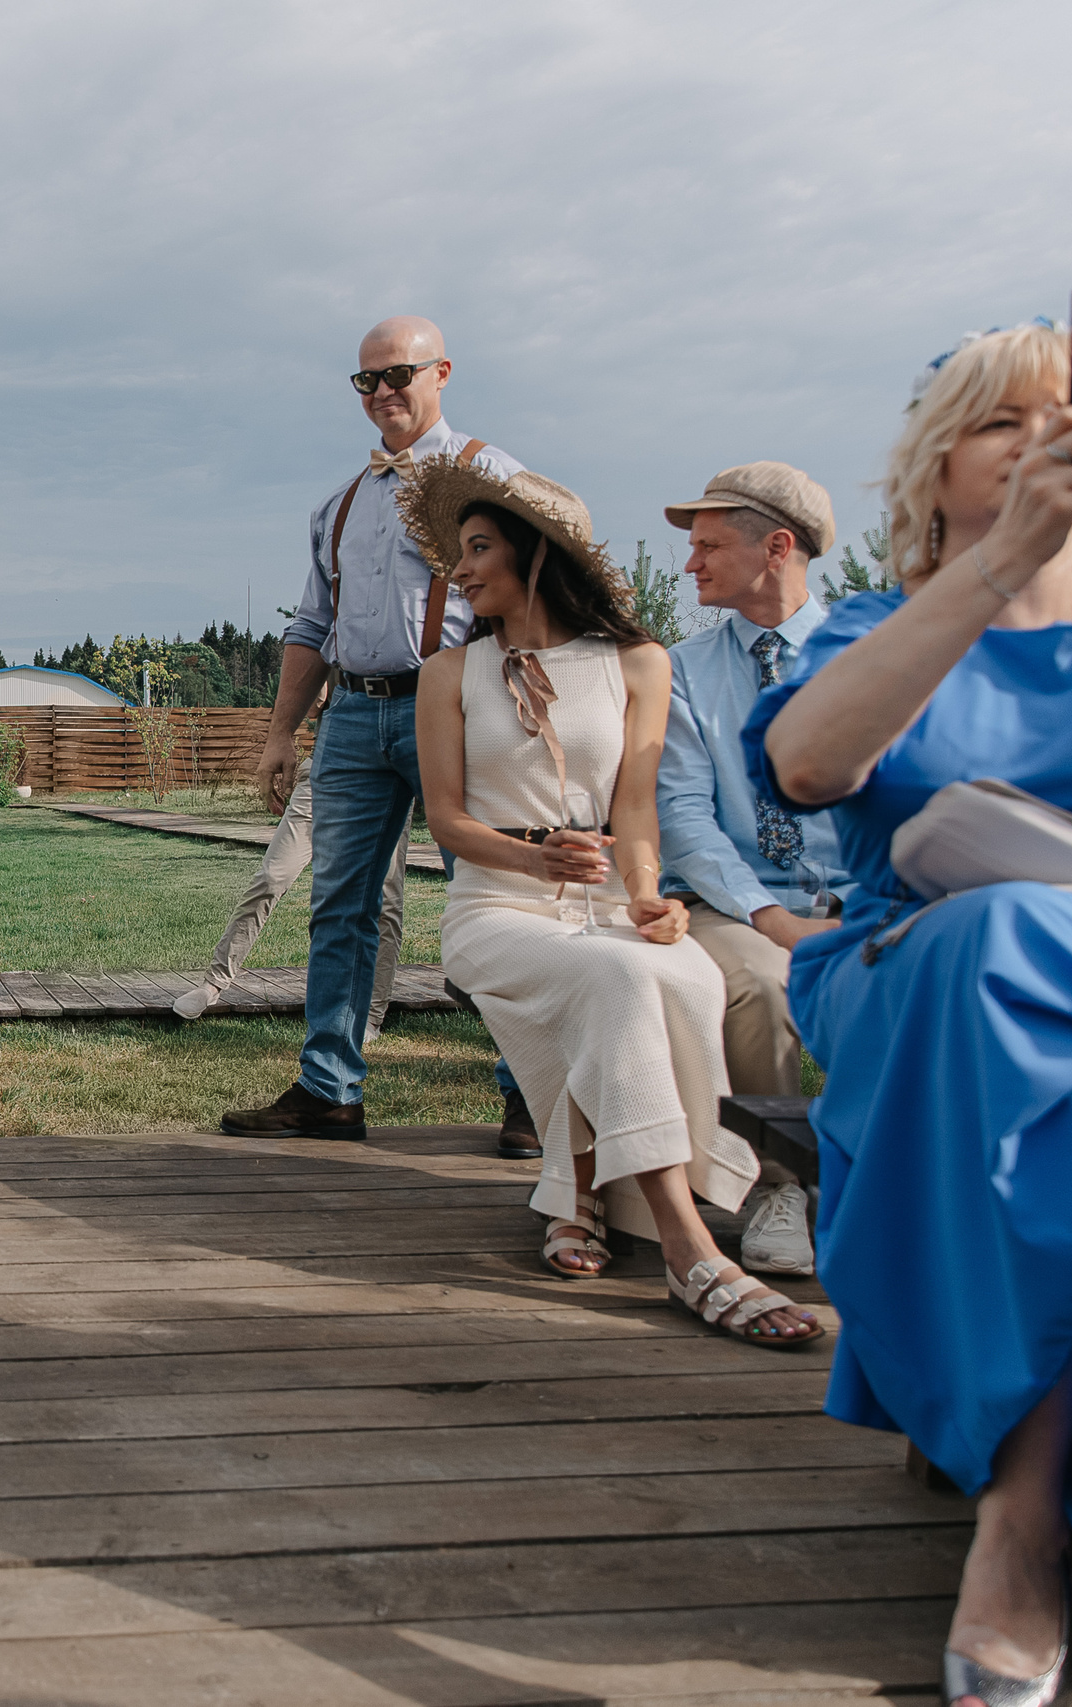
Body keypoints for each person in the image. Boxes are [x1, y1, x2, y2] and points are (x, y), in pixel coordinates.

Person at [751, 322, 1072, 1705]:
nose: (1041, 440)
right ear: (939, 460)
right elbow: (804, 762)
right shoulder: (878, 624)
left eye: (1069, 413)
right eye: (1002, 422)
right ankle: (1021, 1520)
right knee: (1006, 931)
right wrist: (1004, 563)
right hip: (920, 976)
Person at [403, 457, 818, 1348]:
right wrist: (533, 855)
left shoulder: (638, 661)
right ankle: (688, 1246)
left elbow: (634, 811)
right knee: (622, 986)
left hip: (601, 906)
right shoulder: (449, 675)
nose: (460, 569)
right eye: (457, 552)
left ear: (536, 554)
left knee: (683, 971)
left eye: (479, 548)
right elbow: (446, 818)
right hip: (496, 908)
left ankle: (577, 1193)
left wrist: (647, 899)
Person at [224, 315, 526, 1143]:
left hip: (462, 706)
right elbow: (310, 625)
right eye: (367, 381)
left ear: (443, 373)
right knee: (340, 904)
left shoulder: (491, 475)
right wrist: (282, 733)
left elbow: (538, 599)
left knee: (497, 897)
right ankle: (329, 1088)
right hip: (353, 713)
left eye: (399, 374)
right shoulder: (341, 503)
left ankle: (530, 1093)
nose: (384, 392)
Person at [654, 462, 850, 1277]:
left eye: (707, 546)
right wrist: (774, 921)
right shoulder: (685, 667)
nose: (690, 563)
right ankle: (777, 1185)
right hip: (736, 905)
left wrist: (861, 912)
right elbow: (686, 816)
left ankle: (893, 1185)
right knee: (763, 983)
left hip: (862, 895)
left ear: (777, 546)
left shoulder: (867, 654)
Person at [173, 701, 409, 1037]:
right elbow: (311, 703)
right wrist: (281, 737)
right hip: (330, 765)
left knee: (385, 899)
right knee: (273, 876)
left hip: (392, 769)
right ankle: (213, 984)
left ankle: (370, 1014)